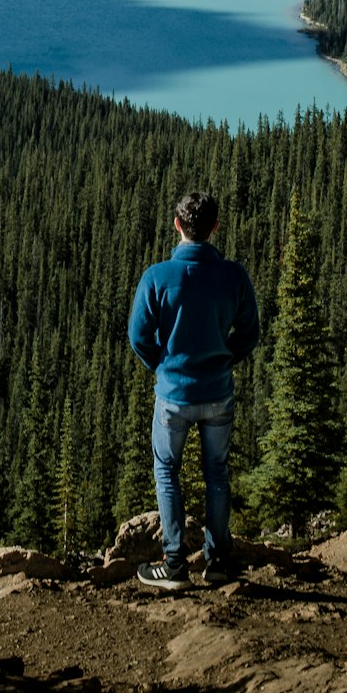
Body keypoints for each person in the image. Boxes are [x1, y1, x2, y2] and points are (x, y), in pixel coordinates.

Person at [127, 189, 260, 589]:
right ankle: (216, 563)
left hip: (173, 397)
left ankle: (174, 566)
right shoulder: (233, 275)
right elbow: (249, 334)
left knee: (166, 472)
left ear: (177, 225)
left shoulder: (157, 277)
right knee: (217, 472)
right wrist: (222, 359)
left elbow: (138, 336)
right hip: (218, 393)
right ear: (216, 228)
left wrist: (164, 367)